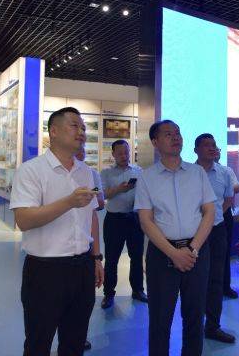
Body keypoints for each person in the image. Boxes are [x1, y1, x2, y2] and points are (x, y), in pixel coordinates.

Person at [10, 107, 104, 355]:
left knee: (75, 342)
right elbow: (24, 220)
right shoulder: (31, 170)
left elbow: (91, 217)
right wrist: (68, 202)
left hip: (83, 268)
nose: (81, 132)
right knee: (38, 343)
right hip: (45, 272)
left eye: (83, 127)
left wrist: (96, 257)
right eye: (74, 125)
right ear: (53, 131)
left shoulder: (86, 172)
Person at [134, 120, 216, 356]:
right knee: (160, 318)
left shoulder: (197, 173)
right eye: (168, 134)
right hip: (162, 254)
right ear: (155, 142)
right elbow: (146, 221)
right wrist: (173, 253)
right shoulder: (147, 177)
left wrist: (193, 249)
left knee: (195, 315)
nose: (176, 137)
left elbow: (209, 212)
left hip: (196, 252)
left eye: (178, 133)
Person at [194, 134, 236, 344]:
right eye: (206, 145)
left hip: (217, 230)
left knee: (216, 279)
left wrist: (214, 216)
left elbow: (228, 199)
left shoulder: (224, 172)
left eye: (214, 145)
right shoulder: (189, 173)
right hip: (193, 233)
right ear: (196, 150)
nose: (212, 148)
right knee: (195, 279)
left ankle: (212, 326)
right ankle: (194, 324)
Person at [99, 139, 147, 310]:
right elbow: (101, 194)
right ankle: (108, 294)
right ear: (113, 154)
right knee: (112, 259)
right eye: (119, 153)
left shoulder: (138, 171)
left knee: (137, 257)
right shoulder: (106, 173)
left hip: (134, 219)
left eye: (126, 152)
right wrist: (119, 189)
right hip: (114, 220)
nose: (123, 156)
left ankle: (138, 290)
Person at [75, 145, 105, 353]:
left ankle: (79, 337)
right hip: (51, 259)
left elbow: (97, 204)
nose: (81, 152)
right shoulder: (36, 170)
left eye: (83, 150)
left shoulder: (90, 173)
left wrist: (97, 257)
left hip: (85, 251)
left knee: (83, 303)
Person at [216, 147, 239, 299]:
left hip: (224, 214)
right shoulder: (196, 170)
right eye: (209, 147)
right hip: (200, 216)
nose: (214, 151)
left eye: (216, 148)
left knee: (224, 252)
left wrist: (223, 186)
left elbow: (236, 187)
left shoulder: (226, 170)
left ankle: (225, 287)